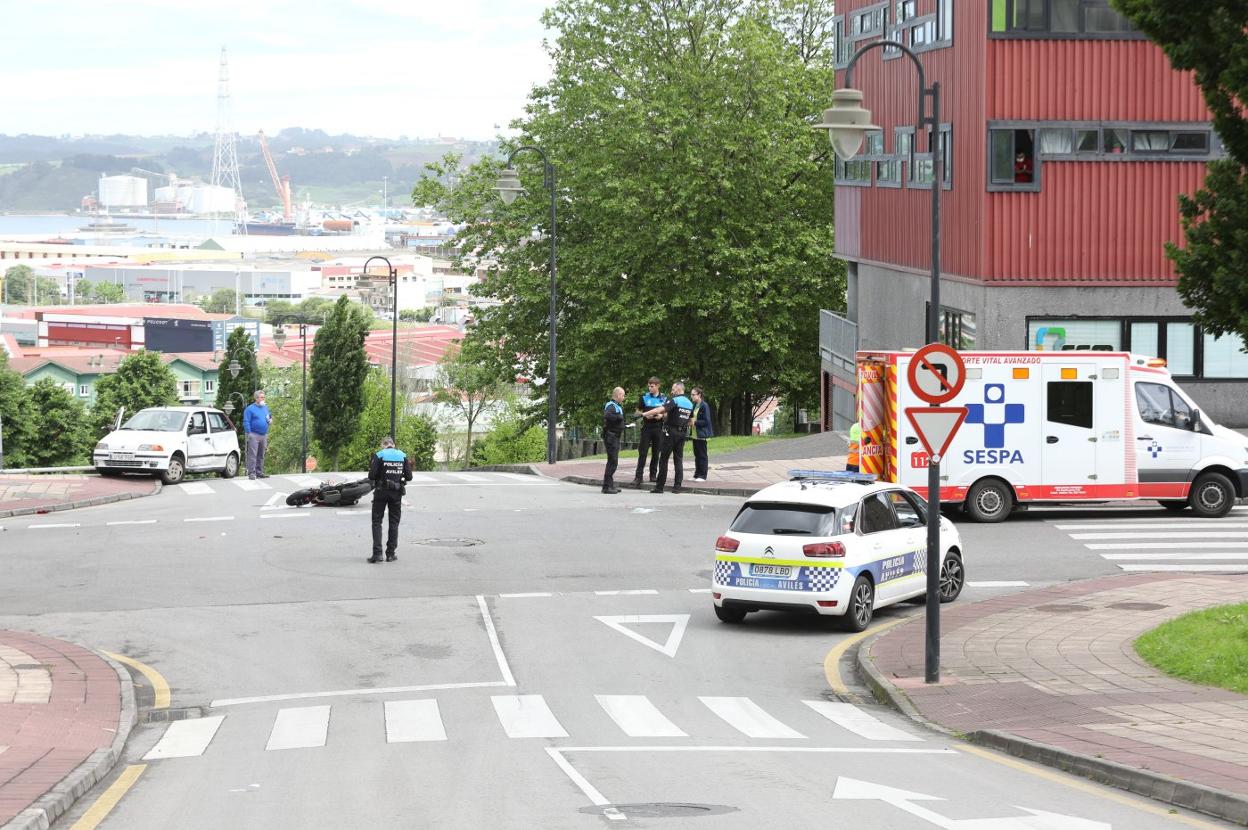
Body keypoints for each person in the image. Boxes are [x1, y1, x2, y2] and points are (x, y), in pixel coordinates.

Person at [367, 436, 413, 563]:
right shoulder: (402, 455)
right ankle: (391, 554)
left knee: (377, 522)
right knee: (394, 523)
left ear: (383, 445)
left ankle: (377, 555)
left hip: (381, 492)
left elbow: (371, 475)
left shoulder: (379, 455)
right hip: (396, 493)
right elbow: (409, 477)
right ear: (393, 444)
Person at [646, 382, 693, 494]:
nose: (672, 392)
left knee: (664, 459)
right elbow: (691, 421)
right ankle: (677, 487)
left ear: (678, 389)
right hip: (682, 434)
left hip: (670, 433)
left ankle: (659, 487)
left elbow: (659, 410)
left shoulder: (674, 400)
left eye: (673, 389)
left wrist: (644, 414)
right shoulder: (690, 403)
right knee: (678, 460)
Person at [632, 377, 667, 486]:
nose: (650, 388)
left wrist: (661, 415)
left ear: (658, 386)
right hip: (647, 427)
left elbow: (667, 413)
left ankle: (653, 476)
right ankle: (638, 477)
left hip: (658, 427)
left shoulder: (664, 398)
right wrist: (645, 415)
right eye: (649, 386)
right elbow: (638, 411)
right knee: (643, 452)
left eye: (652, 386)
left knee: (656, 453)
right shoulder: (644, 398)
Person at [602, 386, 627, 494]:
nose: (624, 397)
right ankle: (606, 487)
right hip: (611, 437)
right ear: (617, 395)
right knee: (613, 462)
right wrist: (618, 418)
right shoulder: (611, 406)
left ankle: (610, 485)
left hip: (614, 436)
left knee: (612, 461)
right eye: (623, 395)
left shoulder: (616, 406)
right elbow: (607, 416)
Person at [242, 390, 272, 480]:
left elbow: (269, 416)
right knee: (253, 454)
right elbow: (246, 421)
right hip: (254, 434)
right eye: (262, 397)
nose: (263, 399)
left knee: (261, 455)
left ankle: (259, 472)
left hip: (264, 434)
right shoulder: (250, 409)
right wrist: (249, 433)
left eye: (264, 397)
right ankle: (251, 473)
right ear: (256, 398)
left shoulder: (265, 407)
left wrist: (270, 420)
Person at [689, 387, 713, 481]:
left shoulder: (704, 405)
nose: (691, 396)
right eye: (691, 394)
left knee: (702, 455)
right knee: (697, 455)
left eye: (693, 394)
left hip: (702, 435)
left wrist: (694, 422)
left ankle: (703, 476)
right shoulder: (694, 405)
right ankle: (697, 474)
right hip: (695, 435)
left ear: (699, 395)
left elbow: (706, 421)